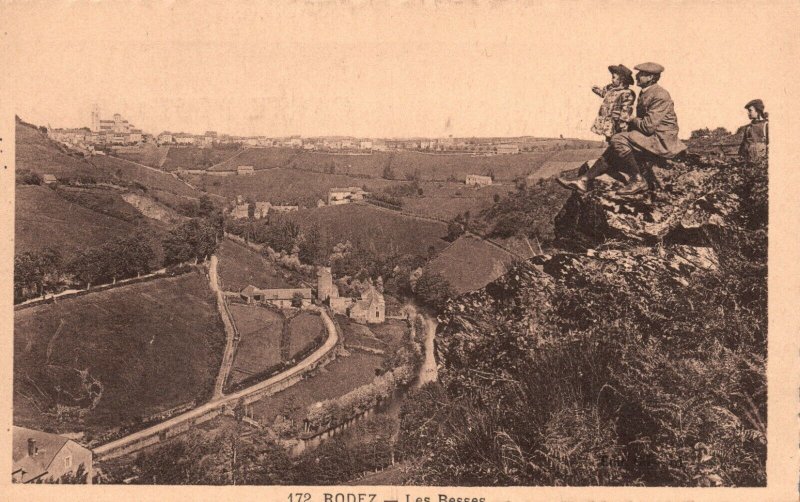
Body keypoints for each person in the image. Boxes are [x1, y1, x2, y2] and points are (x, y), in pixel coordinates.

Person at [559, 62, 686, 195]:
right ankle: (584, 180)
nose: (636, 76)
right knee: (615, 146)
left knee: (618, 139)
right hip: (653, 136)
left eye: (641, 74)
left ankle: (638, 180)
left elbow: (648, 127)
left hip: (662, 140)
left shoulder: (660, 95)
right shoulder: (648, 92)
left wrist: (629, 118)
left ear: (650, 78)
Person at [591, 64, 636, 142]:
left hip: (617, 123)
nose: (612, 80)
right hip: (607, 122)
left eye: (614, 77)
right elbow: (603, 94)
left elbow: (626, 110)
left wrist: (623, 125)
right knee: (609, 140)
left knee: (616, 141)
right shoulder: (611, 89)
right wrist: (596, 90)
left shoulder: (626, 93)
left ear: (621, 80)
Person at [739, 99, 769, 165]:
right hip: (749, 164)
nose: (748, 113)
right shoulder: (748, 128)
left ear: (758, 111)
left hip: (762, 164)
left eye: (750, 111)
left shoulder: (766, 125)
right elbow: (743, 147)